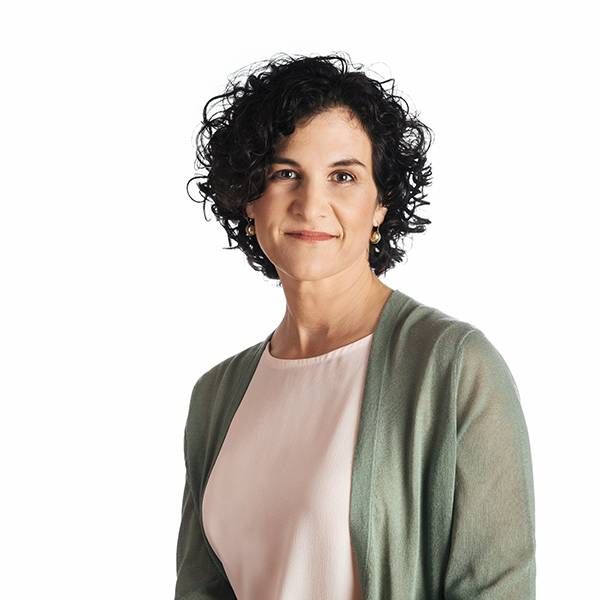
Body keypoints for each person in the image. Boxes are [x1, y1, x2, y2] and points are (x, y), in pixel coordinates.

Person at [175, 52, 536, 600]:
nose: (311, 203)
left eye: (343, 176)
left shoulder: (455, 368)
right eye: (284, 173)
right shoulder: (216, 397)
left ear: (381, 204)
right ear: (250, 197)